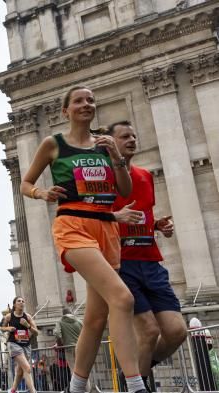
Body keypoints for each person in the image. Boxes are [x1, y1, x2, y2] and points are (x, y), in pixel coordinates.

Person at [19, 86, 145, 393]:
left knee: (96, 317)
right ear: (66, 111)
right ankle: (136, 385)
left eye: (90, 100)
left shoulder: (105, 145)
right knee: (123, 298)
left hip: (106, 229)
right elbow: (25, 183)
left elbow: (124, 190)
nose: (86, 104)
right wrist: (42, 193)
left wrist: (116, 156)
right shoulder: (54, 143)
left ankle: (75, 387)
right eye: (78, 101)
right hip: (73, 226)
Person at [108, 120, 188, 385]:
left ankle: (134, 373)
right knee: (149, 330)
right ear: (110, 143)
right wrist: (115, 217)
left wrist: (157, 226)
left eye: (133, 135)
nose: (131, 140)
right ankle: (139, 384)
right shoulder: (103, 178)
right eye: (124, 137)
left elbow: (143, 214)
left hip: (151, 262)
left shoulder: (145, 176)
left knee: (177, 331)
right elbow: (90, 218)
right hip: (123, 265)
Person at [1, 297, 38, 393]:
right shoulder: (9, 316)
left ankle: (13, 390)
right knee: (27, 368)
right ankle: (33, 391)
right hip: (13, 343)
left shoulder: (28, 317)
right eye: (19, 301)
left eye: (23, 301)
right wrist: (8, 329)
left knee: (20, 371)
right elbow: (2, 328)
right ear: (14, 304)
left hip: (26, 345)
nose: (21, 303)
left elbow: (36, 332)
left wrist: (28, 326)